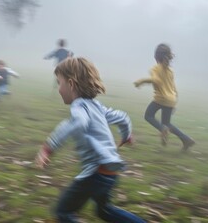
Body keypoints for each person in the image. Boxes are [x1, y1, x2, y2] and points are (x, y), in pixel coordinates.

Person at [35, 57, 145, 223]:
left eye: (59, 83)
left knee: (63, 212)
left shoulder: (79, 106)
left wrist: (48, 147)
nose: (58, 89)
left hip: (96, 173)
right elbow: (122, 117)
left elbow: (78, 122)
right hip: (111, 172)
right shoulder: (97, 106)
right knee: (104, 210)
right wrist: (126, 135)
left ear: (71, 84)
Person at [134, 43, 195, 152]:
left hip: (160, 99)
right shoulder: (171, 70)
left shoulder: (155, 68)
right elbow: (174, 88)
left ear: (156, 56)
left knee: (148, 116)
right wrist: (175, 102)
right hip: (171, 99)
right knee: (167, 123)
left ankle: (163, 129)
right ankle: (186, 139)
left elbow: (156, 80)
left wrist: (141, 81)